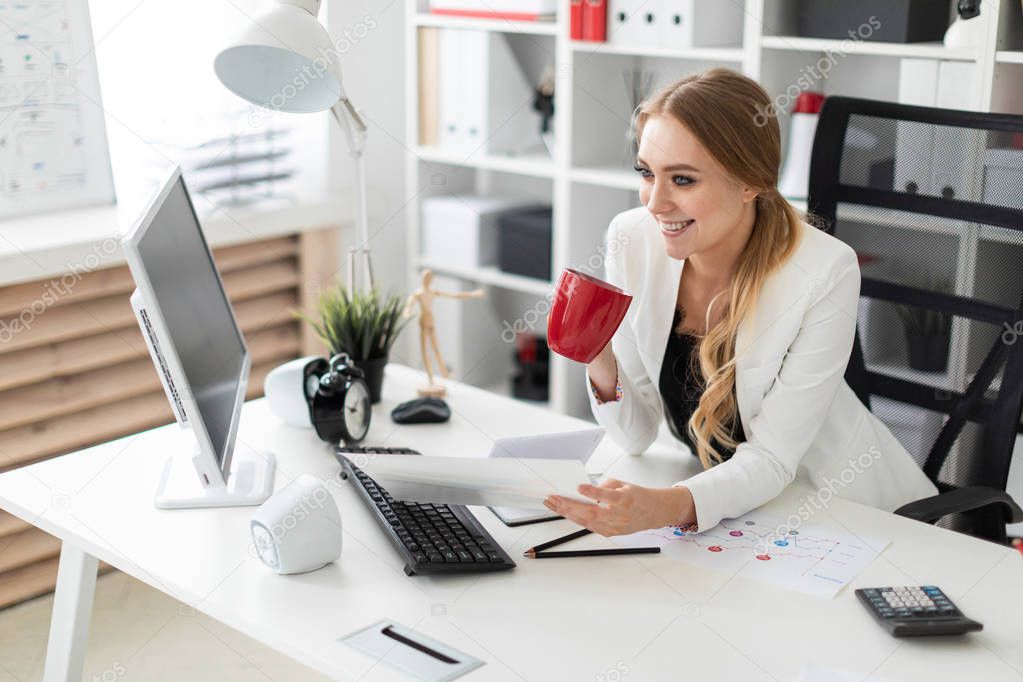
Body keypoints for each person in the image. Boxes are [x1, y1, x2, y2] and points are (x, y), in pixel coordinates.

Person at [543, 69, 937, 536]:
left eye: (683, 180)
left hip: (830, 508)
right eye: (647, 173)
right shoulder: (631, 239)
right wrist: (598, 355)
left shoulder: (825, 270)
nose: (656, 203)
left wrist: (664, 507)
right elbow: (636, 435)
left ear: (749, 183)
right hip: (725, 504)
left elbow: (772, 459)